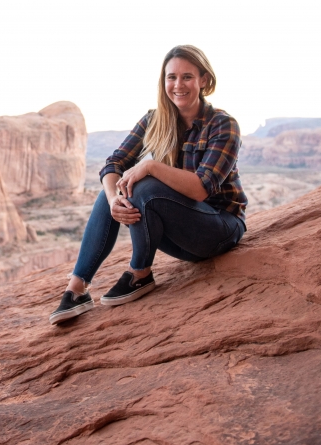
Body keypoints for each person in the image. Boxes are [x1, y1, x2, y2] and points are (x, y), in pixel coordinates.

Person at [50, 44, 248, 325]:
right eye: (171, 77)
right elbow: (114, 163)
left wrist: (150, 165)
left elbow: (200, 189)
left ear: (204, 80)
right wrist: (112, 200)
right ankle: (77, 288)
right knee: (119, 189)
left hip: (218, 230)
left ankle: (140, 273)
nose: (178, 84)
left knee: (144, 186)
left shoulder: (223, 125)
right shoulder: (155, 120)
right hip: (181, 237)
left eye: (187, 77)